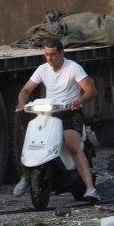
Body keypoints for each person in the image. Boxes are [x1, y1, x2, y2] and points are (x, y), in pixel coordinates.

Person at [15, 37, 99, 202]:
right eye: (47, 54)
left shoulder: (73, 68)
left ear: (62, 53)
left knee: (72, 145)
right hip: (49, 112)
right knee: (32, 140)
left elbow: (91, 91)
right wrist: (21, 104)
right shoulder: (42, 69)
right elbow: (25, 90)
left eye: (53, 54)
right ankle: (26, 175)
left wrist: (78, 101)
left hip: (69, 112)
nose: (50, 58)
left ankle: (90, 188)